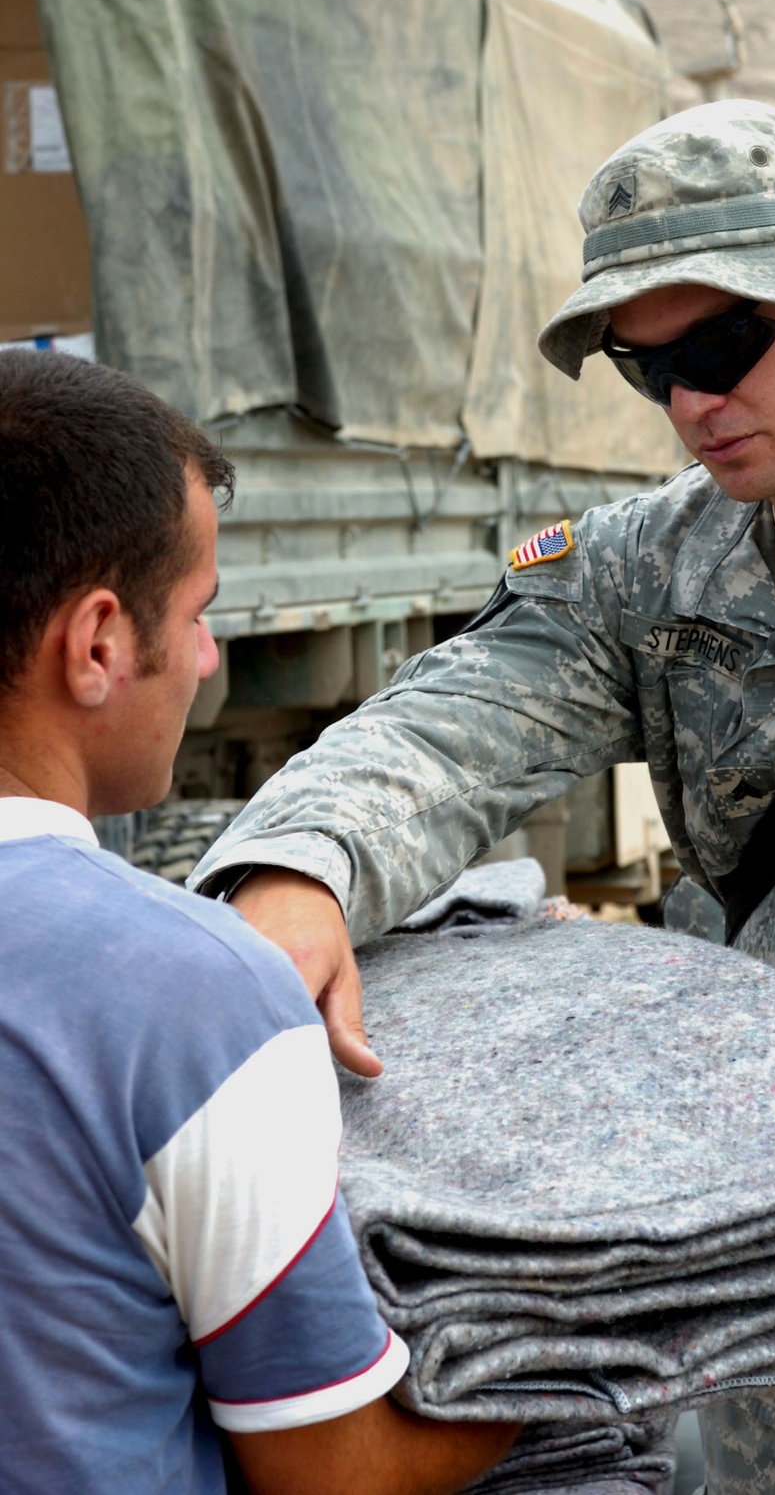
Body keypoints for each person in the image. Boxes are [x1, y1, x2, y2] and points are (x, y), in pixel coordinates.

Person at [191, 99, 775, 1492]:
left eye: (727, 344)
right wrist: (301, 870)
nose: (695, 403)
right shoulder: (643, 571)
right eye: (649, 368)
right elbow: (448, 730)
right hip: (758, 1352)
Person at [0, 348, 516, 1494]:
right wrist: (579, 1375)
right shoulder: (189, 998)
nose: (205, 657)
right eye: (197, 614)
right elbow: (331, 1469)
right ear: (96, 645)